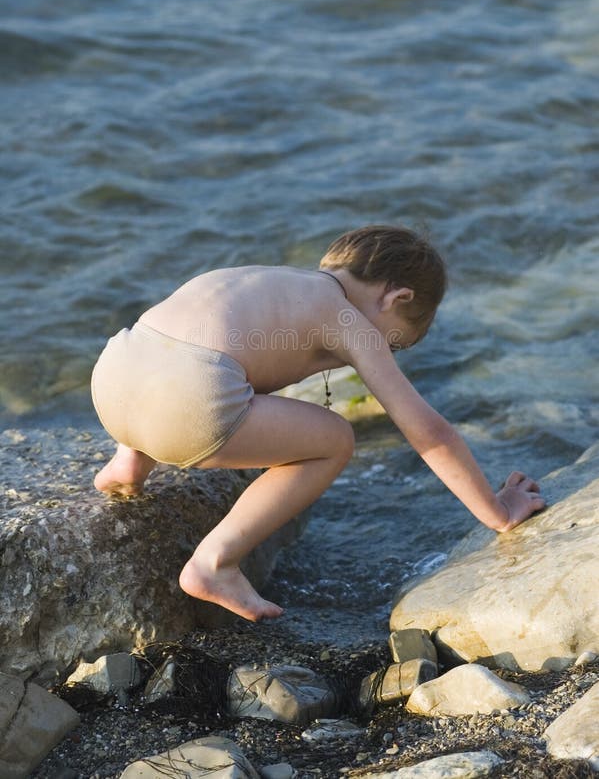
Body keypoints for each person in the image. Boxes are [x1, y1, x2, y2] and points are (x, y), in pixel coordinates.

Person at [91, 225, 545, 621]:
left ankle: (130, 462)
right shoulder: (348, 319)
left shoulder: (270, 281)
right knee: (335, 438)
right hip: (188, 403)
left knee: (197, 362)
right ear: (396, 298)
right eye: (396, 343)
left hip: (113, 377)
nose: (384, 351)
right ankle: (213, 562)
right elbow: (429, 431)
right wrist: (497, 511)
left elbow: (180, 352)